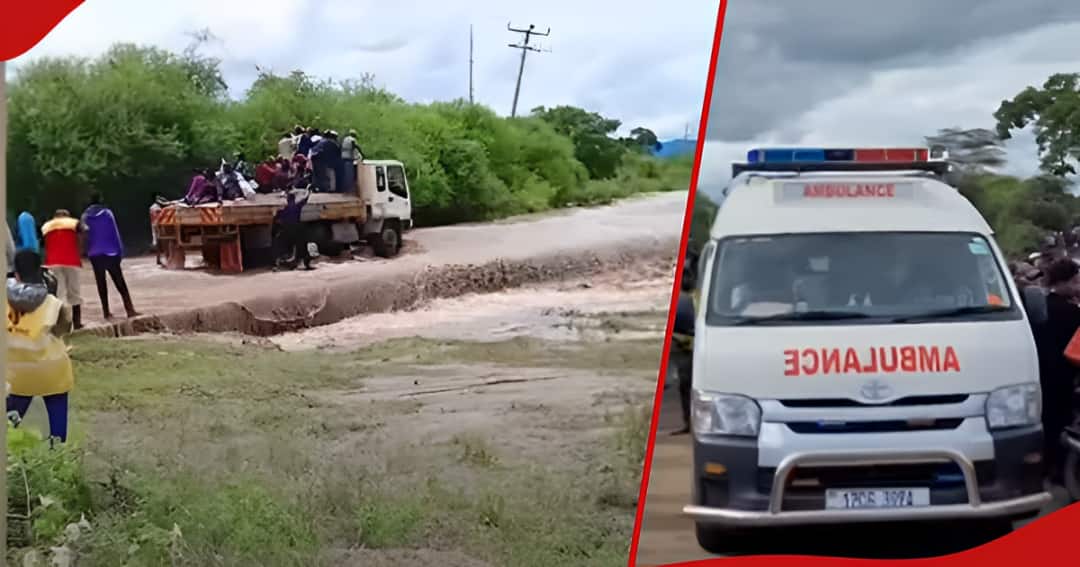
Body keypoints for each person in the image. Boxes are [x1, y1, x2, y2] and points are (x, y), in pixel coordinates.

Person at [6, 250, 75, 444]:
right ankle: (58, 450)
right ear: (40, 272)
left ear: (16, 274)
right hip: (52, 372)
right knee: (57, 412)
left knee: (9, 421)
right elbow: (63, 330)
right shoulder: (54, 304)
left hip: (16, 376)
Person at [1032, 257, 1080, 483]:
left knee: (1047, 421)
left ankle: (1047, 468)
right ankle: (1060, 470)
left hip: (1040, 373)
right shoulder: (1071, 312)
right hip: (1065, 376)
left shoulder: (1040, 307)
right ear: (1066, 281)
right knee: (1061, 422)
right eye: (1076, 281)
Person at [82, 193, 139, 320]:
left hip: (95, 254)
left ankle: (106, 312)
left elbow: (84, 235)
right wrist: (120, 250)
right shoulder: (107, 213)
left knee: (101, 283)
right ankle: (129, 310)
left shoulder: (85, 216)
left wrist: (86, 251)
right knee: (120, 282)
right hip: (111, 252)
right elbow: (115, 232)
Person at [41, 210, 85, 330]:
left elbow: (45, 244)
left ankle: (62, 324)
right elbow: (85, 231)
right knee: (74, 292)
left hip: (53, 262)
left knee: (59, 293)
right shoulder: (74, 222)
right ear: (66, 216)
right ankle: (77, 323)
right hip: (71, 260)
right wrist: (80, 250)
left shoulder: (46, 226)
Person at [274, 191, 312, 271]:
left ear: (287, 200)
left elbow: (277, 219)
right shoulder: (297, 206)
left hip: (287, 230)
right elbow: (304, 200)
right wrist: (308, 193)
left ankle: (281, 264)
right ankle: (304, 263)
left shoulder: (284, 209)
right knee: (301, 246)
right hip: (296, 229)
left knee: (286, 247)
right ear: (294, 199)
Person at [340, 129, 362, 194]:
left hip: (343, 157)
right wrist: (361, 153)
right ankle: (349, 189)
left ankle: (345, 188)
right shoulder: (352, 139)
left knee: (345, 174)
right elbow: (355, 146)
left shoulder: (345, 139)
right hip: (349, 158)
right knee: (349, 174)